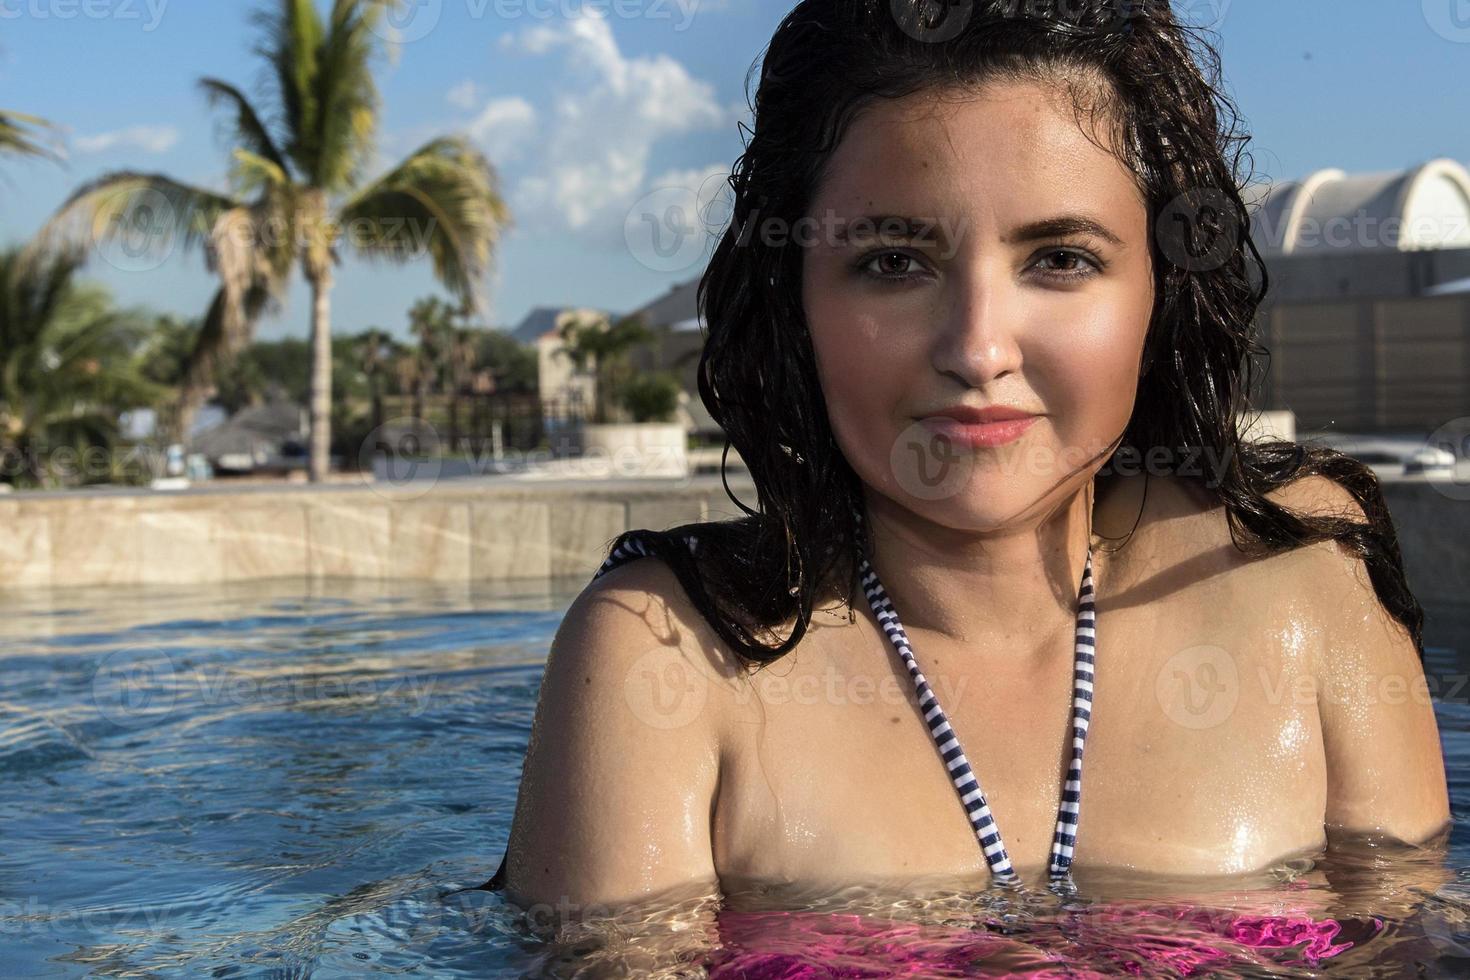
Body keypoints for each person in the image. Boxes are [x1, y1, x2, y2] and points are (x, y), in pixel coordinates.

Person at [489, 0, 1451, 921]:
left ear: (1161, 289)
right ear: (795, 299)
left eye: (1060, 258)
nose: (978, 347)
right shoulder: (669, 659)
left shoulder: (1309, 578)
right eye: (896, 262)